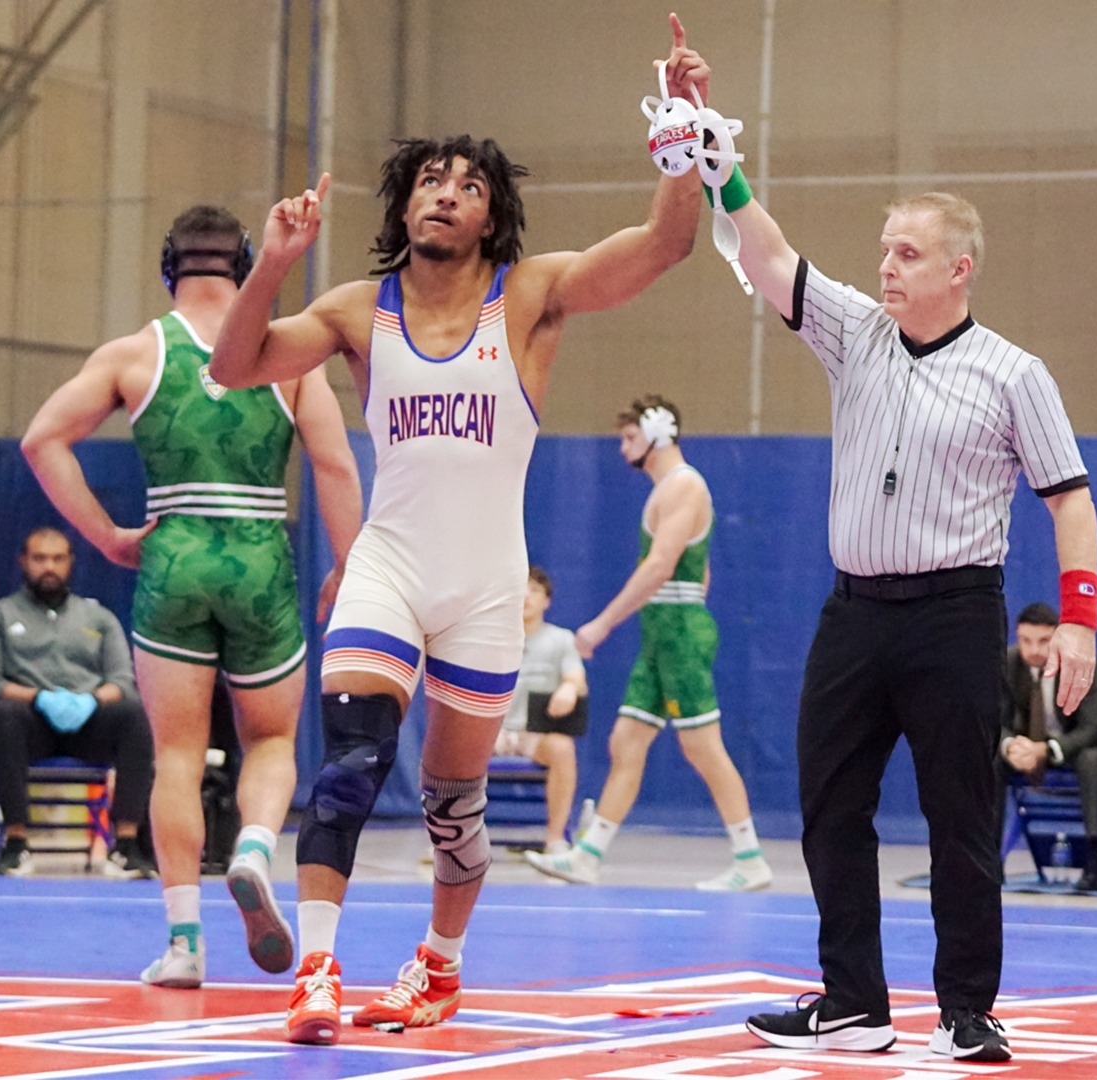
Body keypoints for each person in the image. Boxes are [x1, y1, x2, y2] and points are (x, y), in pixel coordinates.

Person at [207, 16, 705, 1046]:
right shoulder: (357, 309)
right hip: (389, 567)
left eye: (468, 185)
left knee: (451, 803)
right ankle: (314, 973)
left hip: (484, 588)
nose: (445, 192)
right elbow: (234, 365)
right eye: (430, 179)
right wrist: (275, 262)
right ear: (404, 203)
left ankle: (439, 965)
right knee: (350, 762)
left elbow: (667, 246)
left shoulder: (530, 296)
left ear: (491, 216)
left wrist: (685, 133)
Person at [692, 79, 1097, 1058]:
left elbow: (1070, 500)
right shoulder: (856, 332)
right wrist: (718, 161)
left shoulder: (1014, 373)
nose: (885, 266)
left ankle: (967, 1009)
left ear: (959, 270)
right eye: (883, 250)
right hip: (855, 616)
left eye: (907, 253)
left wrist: (1079, 620)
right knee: (830, 804)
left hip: (955, 615)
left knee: (961, 817)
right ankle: (853, 1003)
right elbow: (769, 256)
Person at [21, 204, 362, 986]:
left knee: (175, 753)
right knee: (270, 740)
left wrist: (108, 537)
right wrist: (347, 566)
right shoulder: (287, 356)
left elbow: (42, 441)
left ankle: (184, 945)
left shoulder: (134, 355)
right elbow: (336, 467)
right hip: (258, 558)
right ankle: (254, 849)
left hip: (173, 556)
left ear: (168, 267)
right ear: (243, 263)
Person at [527, 396, 771, 891]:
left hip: (676, 632)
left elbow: (660, 566)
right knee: (626, 740)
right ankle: (587, 857)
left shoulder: (683, 486)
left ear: (659, 433)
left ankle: (750, 860)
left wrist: (602, 624)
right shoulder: (669, 489)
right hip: (664, 632)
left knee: (701, 746)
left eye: (629, 437)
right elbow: (700, 572)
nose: (622, 449)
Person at [0, 527, 154, 879]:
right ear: (23, 562)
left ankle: (127, 846)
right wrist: (39, 698)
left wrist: (89, 700)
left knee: (133, 715)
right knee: (2, 715)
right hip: (29, 723)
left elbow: (122, 681)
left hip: (89, 722)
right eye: (40, 558)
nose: (49, 567)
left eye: (57, 559)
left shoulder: (99, 618)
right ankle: (16, 844)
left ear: (71, 563)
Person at [999, 601, 1097, 891]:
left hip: (1092, 741)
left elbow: (1092, 728)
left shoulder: (1081, 661)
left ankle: (1095, 862)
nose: (1034, 650)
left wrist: (1044, 750)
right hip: (1032, 746)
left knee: (1091, 759)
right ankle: (990, 860)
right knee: (992, 758)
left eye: (1043, 641)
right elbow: (996, 722)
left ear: (1058, 638)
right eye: (1025, 641)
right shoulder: (1008, 663)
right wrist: (1011, 747)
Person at [495, 566, 586, 855]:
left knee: (563, 748)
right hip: (491, 731)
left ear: (547, 601)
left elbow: (577, 679)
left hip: (534, 734)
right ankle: (447, 840)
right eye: (520, 589)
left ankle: (555, 839)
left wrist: (569, 688)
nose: (526, 596)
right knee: (450, 746)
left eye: (534, 590)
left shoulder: (561, 640)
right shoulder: (492, 638)